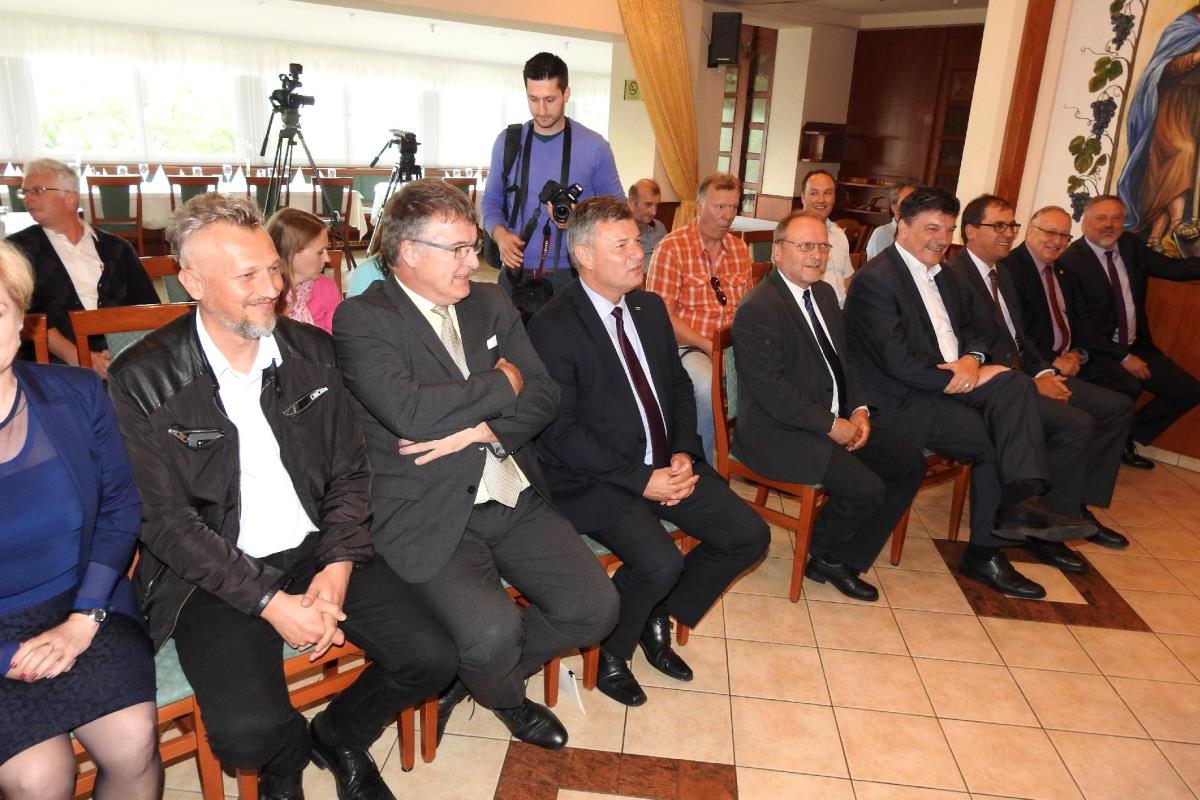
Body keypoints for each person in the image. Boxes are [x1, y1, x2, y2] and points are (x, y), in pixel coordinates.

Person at [107, 193, 457, 800]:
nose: (272, 287)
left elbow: (350, 471)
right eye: (247, 276)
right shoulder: (142, 377)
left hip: (318, 546)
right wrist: (271, 602)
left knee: (432, 658)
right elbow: (165, 523)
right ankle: (284, 759)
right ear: (193, 282)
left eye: (273, 268)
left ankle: (339, 734)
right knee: (246, 738)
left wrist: (339, 566)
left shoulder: (312, 351)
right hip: (214, 572)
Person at [333, 180, 617, 750]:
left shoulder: (488, 302)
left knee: (595, 609)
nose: (473, 261)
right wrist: (502, 382)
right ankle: (506, 695)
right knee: (491, 633)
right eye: (458, 249)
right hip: (428, 508)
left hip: (510, 488)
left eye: (473, 246)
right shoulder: (363, 318)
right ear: (409, 251)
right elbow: (410, 412)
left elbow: (545, 392)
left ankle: (480, 680)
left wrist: (483, 428)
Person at [527, 197, 768, 706]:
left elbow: (677, 387)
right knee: (660, 563)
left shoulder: (649, 307)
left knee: (748, 535)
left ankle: (653, 614)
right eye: (622, 246)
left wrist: (682, 451)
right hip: (596, 479)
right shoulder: (552, 326)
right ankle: (612, 653)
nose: (639, 253)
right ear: (585, 257)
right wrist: (641, 479)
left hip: (665, 462)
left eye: (637, 241)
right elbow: (559, 433)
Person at [845, 186, 1096, 600]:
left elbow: (980, 333)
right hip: (901, 400)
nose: (941, 239)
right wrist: (963, 378)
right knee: (994, 436)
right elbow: (898, 364)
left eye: (947, 230)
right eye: (931, 228)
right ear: (902, 227)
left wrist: (972, 361)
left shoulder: (944, 274)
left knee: (1015, 385)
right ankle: (991, 543)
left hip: (950, 385)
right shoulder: (876, 280)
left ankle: (1016, 504)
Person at [0, 241, 160, 800]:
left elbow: (119, 509)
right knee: (39, 777)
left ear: (20, 317)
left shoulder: (78, 393)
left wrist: (83, 618)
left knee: (133, 739)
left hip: (85, 601)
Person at [732, 211, 925, 600]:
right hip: (778, 432)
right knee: (866, 489)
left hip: (831, 417)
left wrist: (859, 409)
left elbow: (846, 360)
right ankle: (824, 554)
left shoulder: (822, 294)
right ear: (777, 252)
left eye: (822, 246)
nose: (817, 255)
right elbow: (773, 392)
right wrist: (831, 425)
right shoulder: (759, 308)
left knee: (909, 464)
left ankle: (840, 557)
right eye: (805, 246)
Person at [950, 195, 1133, 569]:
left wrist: (1045, 372)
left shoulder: (1000, 274)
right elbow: (968, 346)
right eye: (998, 226)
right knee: (1075, 423)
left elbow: (1022, 339)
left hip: (1028, 372)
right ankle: (1044, 524)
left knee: (1116, 407)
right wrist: (1029, 381)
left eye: (1010, 226)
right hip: (995, 384)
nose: (1007, 233)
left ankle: (1067, 510)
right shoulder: (955, 277)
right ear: (970, 231)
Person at [1056, 195, 1200, 467]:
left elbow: (1172, 269)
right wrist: (1122, 358)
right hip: (1098, 352)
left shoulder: (1130, 246)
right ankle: (1109, 446)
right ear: (1085, 222)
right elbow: (1081, 327)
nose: (1109, 224)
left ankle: (1122, 437)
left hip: (1138, 346)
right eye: (1101, 218)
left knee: (1188, 391)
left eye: (1116, 218)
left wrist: (1130, 354)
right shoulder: (1070, 262)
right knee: (1128, 387)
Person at [482, 52, 625, 294]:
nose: (541, 110)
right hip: (516, 273)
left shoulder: (594, 146)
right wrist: (500, 235)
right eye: (533, 99)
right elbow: (491, 200)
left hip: (576, 272)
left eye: (550, 99)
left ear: (566, 94)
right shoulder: (508, 142)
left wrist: (577, 220)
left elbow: (619, 212)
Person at [6, 159, 158, 379]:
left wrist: (124, 351)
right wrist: (80, 357)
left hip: (121, 355)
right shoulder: (17, 249)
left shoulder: (117, 248)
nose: (28, 198)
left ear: (70, 198)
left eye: (37, 191)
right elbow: (27, 315)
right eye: (25, 192)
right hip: (54, 362)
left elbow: (147, 308)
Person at [645, 173, 752, 462]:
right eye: (720, 207)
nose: (728, 215)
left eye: (733, 207)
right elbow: (662, 318)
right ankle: (702, 467)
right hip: (687, 346)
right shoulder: (671, 248)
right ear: (699, 206)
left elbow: (747, 311)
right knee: (707, 386)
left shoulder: (740, 250)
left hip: (730, 344)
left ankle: (749, 459)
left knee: (773, 374)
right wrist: (711, 348)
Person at [1115, 8, 1200, 251]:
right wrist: (1195, 58)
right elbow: (1164, 69)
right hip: (1169, 106)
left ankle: (1155, 236)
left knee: (1165, 172)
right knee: (1181, 153)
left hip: (1193, 108)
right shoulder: (1184, 27)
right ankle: (1176, 222)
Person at [267, 208, 341, 334]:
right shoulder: (265, 295)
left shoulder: (327, 288)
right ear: (291, 253)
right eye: (320, 252)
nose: (327, 258)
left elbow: (337, 339)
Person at [799, 169, 856, 307]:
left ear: (834, 198)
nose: (821, 199)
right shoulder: (791, 235)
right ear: (802, 197)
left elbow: (847, 281)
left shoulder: (839, 234)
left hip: (842, 312)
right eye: (814, 193)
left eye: (828, 193)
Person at [864, 181, 917, 260]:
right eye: (907, 202)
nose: (913, 206)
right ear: (895, 208)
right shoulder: (882, 233)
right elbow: (877, 266)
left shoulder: (920, 233)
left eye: (915, 202)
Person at [628, 178, 667, 265]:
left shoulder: (660, 227)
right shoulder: (620, 232)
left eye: (657, 205)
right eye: (648, 205)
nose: (654, 212)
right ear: (631, 202)